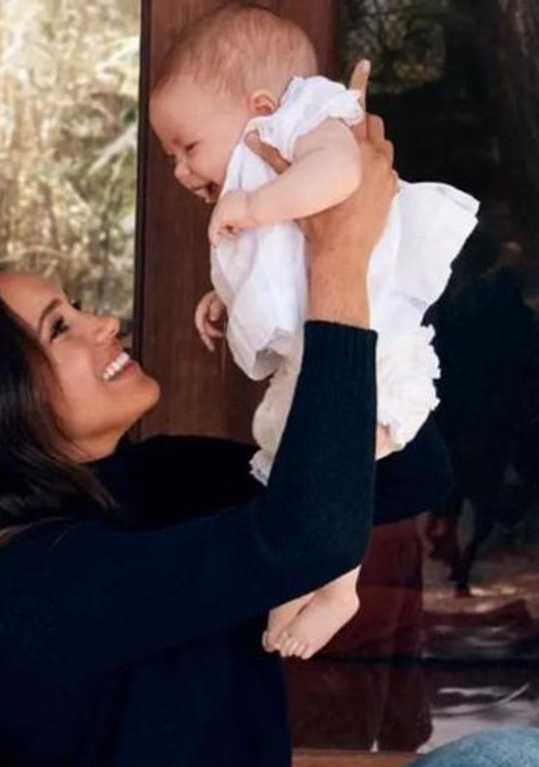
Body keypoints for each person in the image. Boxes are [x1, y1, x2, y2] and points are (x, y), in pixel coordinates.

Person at [0, 101, 539, 766]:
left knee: (516, 755)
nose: (101, 322)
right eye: (60, 327)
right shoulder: (23, 592)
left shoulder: (158, 478)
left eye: (74, 305)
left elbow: (407, 475)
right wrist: (336, 259)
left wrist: (304, 303)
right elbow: (309, 539)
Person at [148, 3, 479, 659]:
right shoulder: (259, 171)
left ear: (261, 105)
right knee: (287, 454)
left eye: (189, 147)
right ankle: (302, 574)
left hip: (375, 343)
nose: (183, 171)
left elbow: (341, 177)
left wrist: (254, 203)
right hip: (322, 346)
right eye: (170, 158)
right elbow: (282, 265)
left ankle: (337, 586)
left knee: (335, 459)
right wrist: (224, 297)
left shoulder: (311, 120)